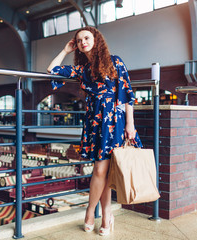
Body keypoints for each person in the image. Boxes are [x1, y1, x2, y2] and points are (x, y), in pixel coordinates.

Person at [47, 26, 142, 236]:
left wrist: (130, 124)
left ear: (96, 39)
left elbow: (127, 94)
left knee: (100, 170)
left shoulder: (115, 61)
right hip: (94, 122)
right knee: (104, 171)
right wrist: (65, 50)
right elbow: (51, 70)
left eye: (86, 38)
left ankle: (90, 212)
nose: (83, 42)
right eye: (79, 40)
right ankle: (107, 215)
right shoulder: (82, 69)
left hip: (114, 122)